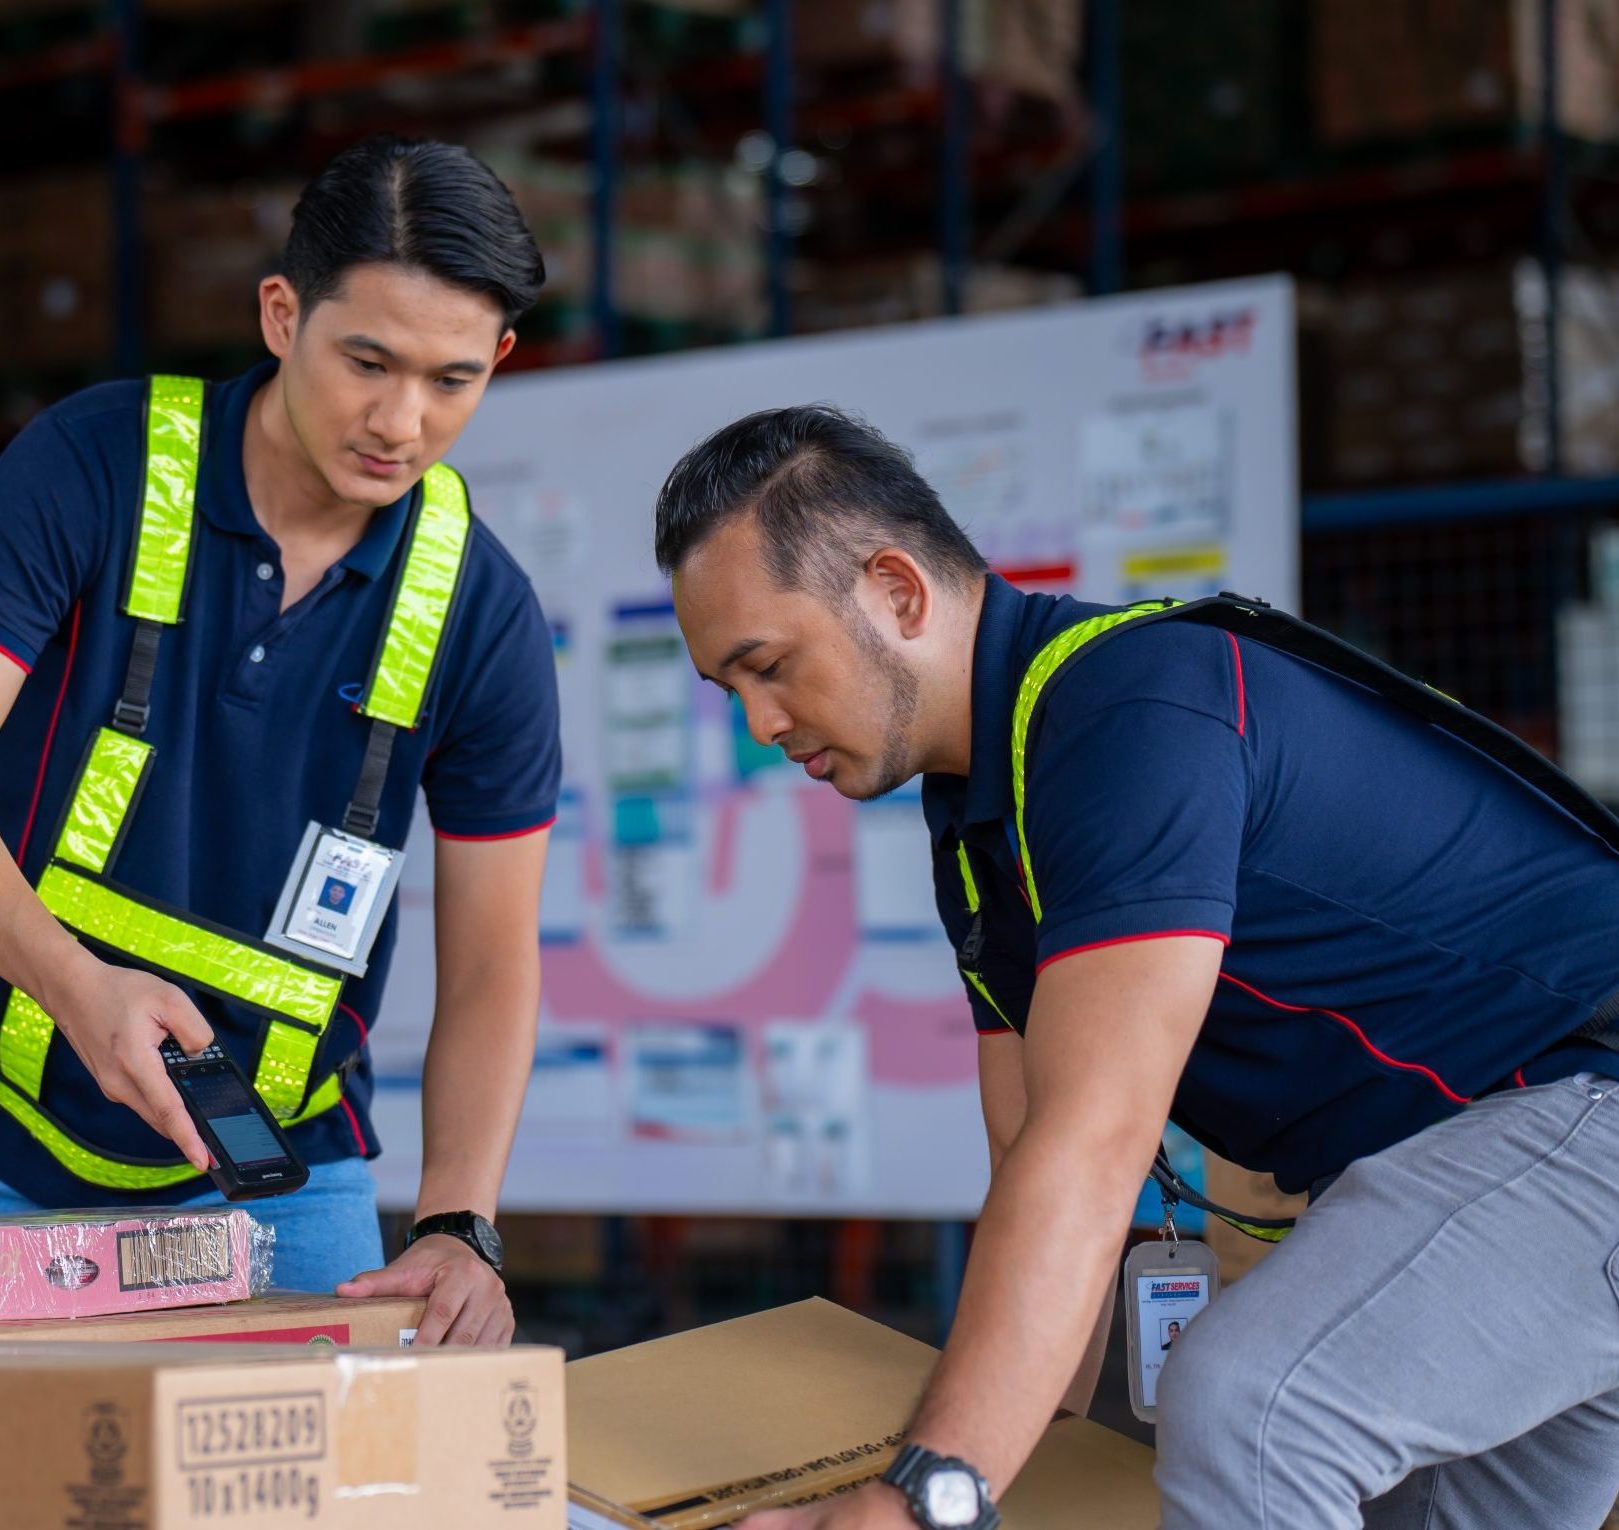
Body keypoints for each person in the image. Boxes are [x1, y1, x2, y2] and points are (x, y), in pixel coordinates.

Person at [652, 404, 1619, 1529]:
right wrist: (983, 1459)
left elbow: (1096, 1142)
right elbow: (1031, 1164)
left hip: (1575, 1122)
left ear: (897, 592)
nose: (762, 725)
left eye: (769, 667)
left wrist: (925, 1497)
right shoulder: (980, 822)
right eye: (731, 694)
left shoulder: (1132, 712)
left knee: (1255, 1411)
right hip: (1488, 1172)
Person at [0, 136, 559, 1346]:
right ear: (282, 315)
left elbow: (494, 964)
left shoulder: (484, 616)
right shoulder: (95, 466)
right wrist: (77, 989)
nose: (401, 421)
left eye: (452, 380)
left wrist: (457, 1224)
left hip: (283, 1184)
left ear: (499, 359)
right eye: (368, 361)